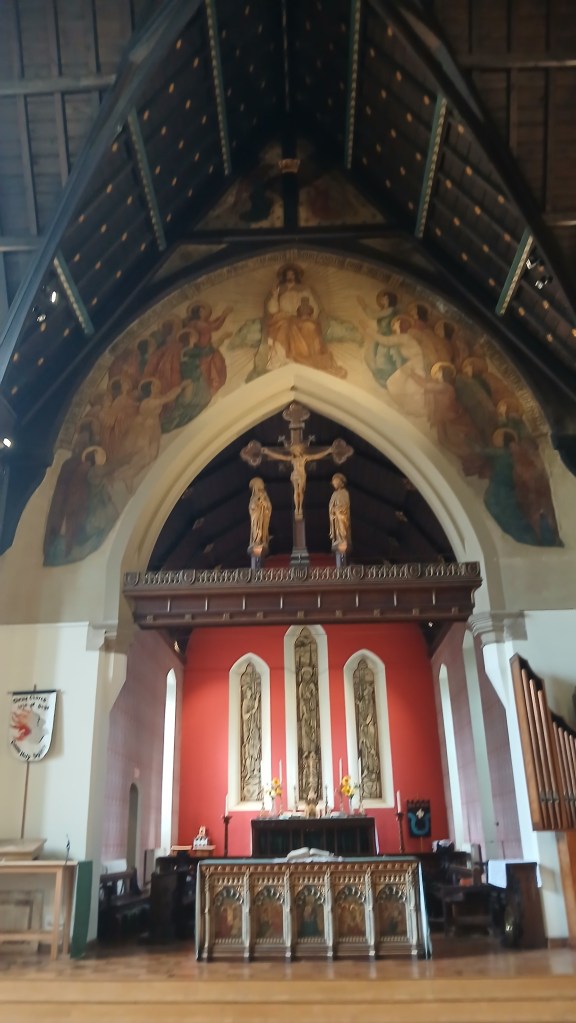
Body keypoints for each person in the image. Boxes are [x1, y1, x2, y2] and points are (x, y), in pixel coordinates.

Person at [248, 477, 272, 550]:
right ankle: (256, 540)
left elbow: (269, 506)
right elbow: (252, 506)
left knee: (264, 528)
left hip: (264, 516)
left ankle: (263, 540)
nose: (263, 485)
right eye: (261, 484)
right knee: (256, 528)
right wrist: (258, 501)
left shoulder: (265, 496)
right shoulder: (254, 497)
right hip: (256, 516)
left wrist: (264, 503)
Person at [329, 473, 351, 548]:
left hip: (342, 516)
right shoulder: (334, 494)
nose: (334, 484)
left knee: (342, 528)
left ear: (341, 483)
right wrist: (332, 510)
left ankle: (343, 539)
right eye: (334, 483)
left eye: (336, 482)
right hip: (335, 517)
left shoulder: (345, 493)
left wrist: (339, 509)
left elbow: (345, 505)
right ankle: (337, 539)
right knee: (337, 529)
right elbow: (331, 506)